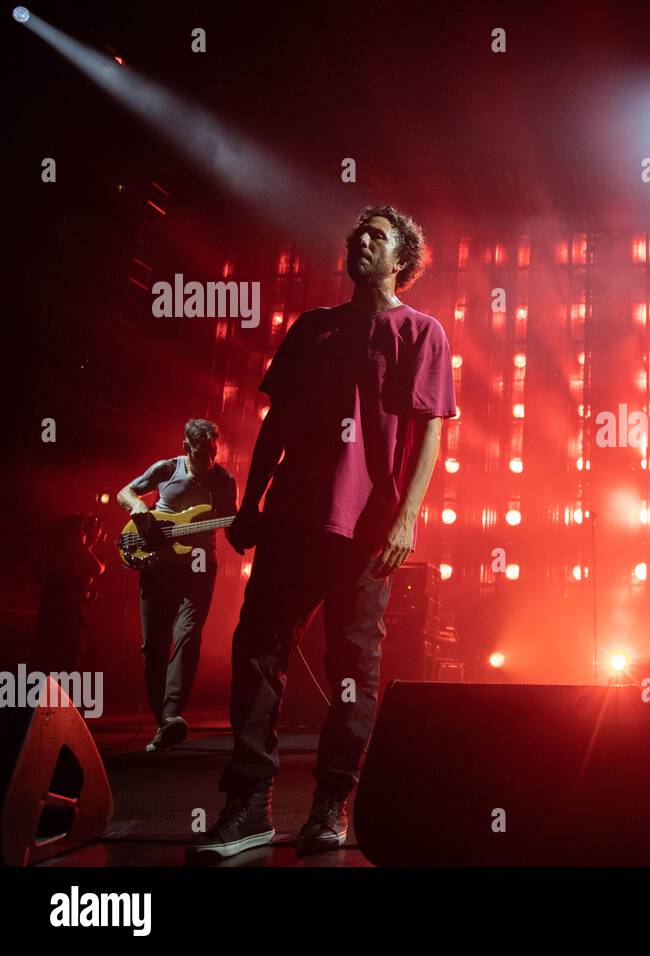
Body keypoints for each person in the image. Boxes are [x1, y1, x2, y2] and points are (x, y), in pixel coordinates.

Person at [189, 205, 456, 860]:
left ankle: (330, 804)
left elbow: (430, 434)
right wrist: (251, 502)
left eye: (377, 237)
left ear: (402, 261)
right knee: (256, 648)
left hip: (366, 532)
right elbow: (276, 425)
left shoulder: (423, 333)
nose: (360, 242)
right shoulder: (312, 329)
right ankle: (248, 801)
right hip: (291, 517)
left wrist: (406, 515)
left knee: (352, 668)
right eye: (356, 234)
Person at [117, 420, 237, 751]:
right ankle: (163, 721)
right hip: (158, 564)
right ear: (187, 447)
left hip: (199, 566)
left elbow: (234, 528)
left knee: (188, 636)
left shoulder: (225, 481)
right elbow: (125, 492)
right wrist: (139, 506)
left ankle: (172, 715)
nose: (210, 460)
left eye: (215, 452)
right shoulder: (166, 469)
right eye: (203, 453)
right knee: (154, 645)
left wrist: (253, 531)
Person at [30, 514, 106, 674]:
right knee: (55, 659)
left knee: (59, 660)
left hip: (67, 617)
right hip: (63, 616)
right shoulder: (68, 552)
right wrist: (81, 546)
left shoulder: (75, 552)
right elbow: (96, 568)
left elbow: (97, 568)